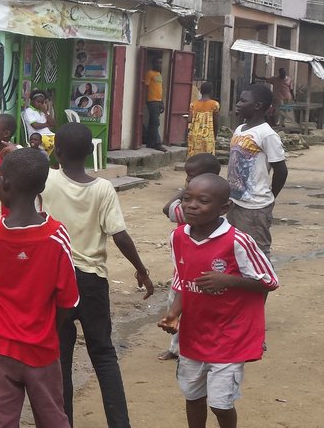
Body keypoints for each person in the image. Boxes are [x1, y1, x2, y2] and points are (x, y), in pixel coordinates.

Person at [0, 147, 79, 428]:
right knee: (53, 418)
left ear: (3, 184)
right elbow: (68, 302)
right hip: (42, 349)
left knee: (0, 420)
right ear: (42, 187)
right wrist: (45, 330)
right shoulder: (57, 236)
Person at [42, 123, 155, 428]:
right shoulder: (102, 188)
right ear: (89, 153)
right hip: (91, 281)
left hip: (56, 281)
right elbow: (120, 235)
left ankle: (63, 422)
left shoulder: (48, 181)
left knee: (61, 358)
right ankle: (120, 423)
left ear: (57, 152)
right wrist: (141, 270)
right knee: (103, 354)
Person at [158, 174, 278, 428]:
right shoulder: (178, 237)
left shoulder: (238, 241)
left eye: (202, 201)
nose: (191, 206)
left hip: (230, 337)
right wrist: (174, 313)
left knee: (220, 405)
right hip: (194, 335)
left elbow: (269, 280)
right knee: (193, 396)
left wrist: (229, 280)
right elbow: (182, 280)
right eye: (186, 198)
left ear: (224, 208)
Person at [158, 153, 222, 362]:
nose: (187, 180)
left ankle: (190, 347)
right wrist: (188, 190)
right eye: (187, 177)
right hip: (182, 269)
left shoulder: (202, 207)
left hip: (204, 269)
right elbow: (168, 210)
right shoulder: (193, 203)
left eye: (192, 176)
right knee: (176, 306)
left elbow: (167, 208)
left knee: (196, 309)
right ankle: (176, 347)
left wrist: (187, 191)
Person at [227, 84, 287, 257]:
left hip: (255, 207)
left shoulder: (267, 135)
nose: (238, 104)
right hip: (235, 202)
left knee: (256, 253)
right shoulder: (240, 130)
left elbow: (281, 170)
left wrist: (270, 197)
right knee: (233, 250)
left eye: (243, 101)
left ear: (258, 106)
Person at [187, 83, 220, 158]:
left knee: (195, 156)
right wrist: (215, 135)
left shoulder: (193, 104)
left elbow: (189, 120)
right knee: (207, 157)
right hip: (208, 135)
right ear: (211, 92)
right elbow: (216, 122)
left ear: (201, 92)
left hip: (194, 136)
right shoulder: (215, 104)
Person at [144, 55, 168, 152]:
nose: (159, 65)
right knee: (156, 122)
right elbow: (146, 87)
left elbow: (160, 90)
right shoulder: (150, 73)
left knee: (152, 123)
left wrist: (162, 102)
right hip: (152, 101)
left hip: (158, 101)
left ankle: (150, 143)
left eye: (161, 63)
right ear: (153, 63)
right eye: (158, 62)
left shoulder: (159, 74)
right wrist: (145, 100)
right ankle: (158, 143)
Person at [23, 89, 56, 155]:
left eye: (42, 102)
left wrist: (46, 112)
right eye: (38, 102)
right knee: (49, 144)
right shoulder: (29, 111)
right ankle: (44, 158)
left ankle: (45, 157)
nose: (40, 104)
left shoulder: (43, 111)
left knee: (61, 141)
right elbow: (35, 125)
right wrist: (47, 124)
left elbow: (53, 124)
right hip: (37, 135)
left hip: (49, 134)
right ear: (32, 101)